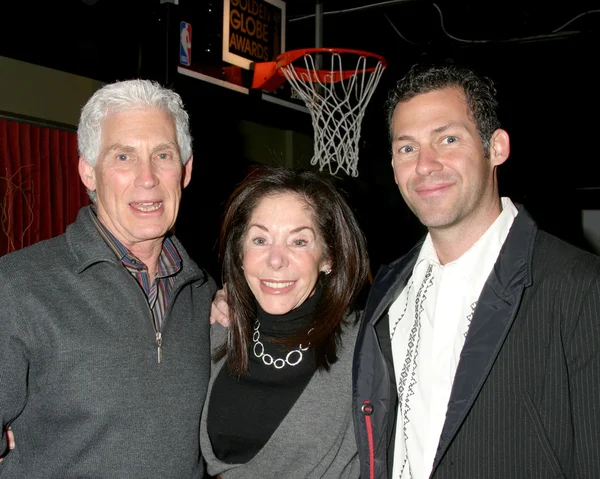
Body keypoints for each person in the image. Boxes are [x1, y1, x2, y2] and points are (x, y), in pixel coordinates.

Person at [352, 63, 600, 478]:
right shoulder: (388, 288)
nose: (426, 165)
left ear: (496, 148)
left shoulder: (578, 286)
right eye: (407, 148)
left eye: (448, 139)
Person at [0, 79, 216, 477]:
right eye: (123, 157)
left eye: (163, 155)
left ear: (185, 171)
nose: (147, 178)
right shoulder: (15, 288)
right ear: (88, 172)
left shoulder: (208, 298)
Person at [200, 166, 370, 478]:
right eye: (260, 240)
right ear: (240, 253)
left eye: (299, 242)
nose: (276, 260)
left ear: (328, 257)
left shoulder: (368, 347)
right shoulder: (215, 331)